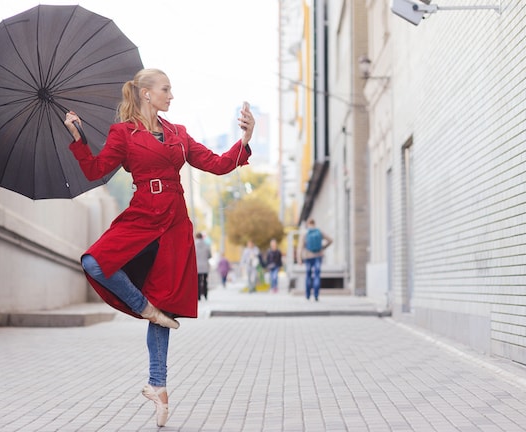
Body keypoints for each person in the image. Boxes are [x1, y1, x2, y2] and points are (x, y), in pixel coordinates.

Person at [64, 68, 255, 428]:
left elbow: (216, 164)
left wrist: (244, 139)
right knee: (95, 262)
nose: (171, 96)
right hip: (141, 215)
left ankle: (158, 386)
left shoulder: (178, 134)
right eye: (166, 89)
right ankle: (145, 307)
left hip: (174, 223)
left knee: (165, 303)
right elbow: (95, 170)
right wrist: (78, 138)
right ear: (146, 94)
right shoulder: (123, 133)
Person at [302, 218, 333, 301]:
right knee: (316, 276)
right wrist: (323, 247)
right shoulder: (319, 232)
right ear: (314, 224)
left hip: (308, 256)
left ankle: (308, 295)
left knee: (308, 276)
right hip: (318, 256)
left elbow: (300, 247)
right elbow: (330, 240)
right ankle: (316, 295)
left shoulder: (305, 233)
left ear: (308, 224)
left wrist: (299, 258)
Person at [194, 232, 212, 300]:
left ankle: (198, 296)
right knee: (205, 281)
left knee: (197, 282)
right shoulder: (206, 245)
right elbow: (210, 256)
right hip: (205, 266)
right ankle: (205, 295)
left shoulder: (194, 244)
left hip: (197, 266)